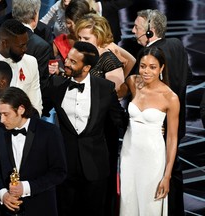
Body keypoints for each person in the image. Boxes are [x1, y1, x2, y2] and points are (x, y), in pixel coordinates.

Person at [42, 41, 127, 216]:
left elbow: (120, 120)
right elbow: (39, 110)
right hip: (64, 166)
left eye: (73, 62)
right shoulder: (56, 85)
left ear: (87, 67)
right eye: (68, 59)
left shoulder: (105, 88)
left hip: (95, 167)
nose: (66, 63)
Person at [132, 9, 192, 215]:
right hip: (177, 123)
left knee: (158, 178)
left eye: (136, 28)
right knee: (174, 173)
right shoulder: (176, 45)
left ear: (150, 32)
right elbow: (188, 76)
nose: (133, 31)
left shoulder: (148, 58)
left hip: (157, 130)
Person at [118, 46, 180, 216]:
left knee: (150, 206)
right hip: (129, 154)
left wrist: (167, 176)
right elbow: (112, 95)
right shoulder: (132, 82)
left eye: (152, 67)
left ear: (161, 68)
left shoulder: (171, 98)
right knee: (127, 202)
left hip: (153, 158)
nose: (146, 71)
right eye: (143, 66)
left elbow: (172, 139)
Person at [0, 86, 67, 216]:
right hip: (6, 208)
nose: (1, 120)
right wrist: (2, 194)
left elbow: (59, 172)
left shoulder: (49, 132)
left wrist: (26, 187)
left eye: (6, 114)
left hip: (40, 206)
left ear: (21, 109)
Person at [75, 13, 125, 90]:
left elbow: (116, 94)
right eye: (79, 37)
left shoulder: (109, 61)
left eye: (86, 38)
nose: (81, 41)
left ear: (99, 37)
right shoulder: (82, 55)